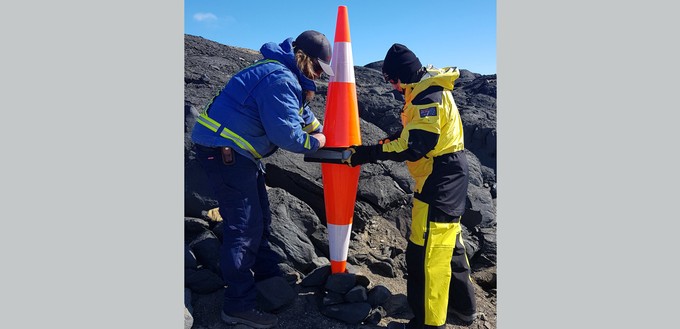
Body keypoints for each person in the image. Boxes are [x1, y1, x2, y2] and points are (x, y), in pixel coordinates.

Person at [190, 30, 333, 329]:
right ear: (303, 58)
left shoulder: (287, 75)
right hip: (225, 151)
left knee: (261, 217)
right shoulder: (279, 79)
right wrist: (318, 142)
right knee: (244, 227)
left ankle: (268, 277)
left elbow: (301, 115)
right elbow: (287, 136)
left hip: (238, 152)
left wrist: (324, 130)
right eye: (318, 68)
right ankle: (238, 306)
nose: (320, 75)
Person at [342, 44, 477, 329]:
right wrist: (388, 140)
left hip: (438, 181)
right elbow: (416, 133)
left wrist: (367, 153)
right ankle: (463, 308)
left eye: (391, 80)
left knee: (426, 255)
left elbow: (415, 147)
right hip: (449, 175)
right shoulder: (430, 88)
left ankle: (428, 323)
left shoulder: (425, 97)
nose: (393, 87)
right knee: (449, 245)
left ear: (401, 76)